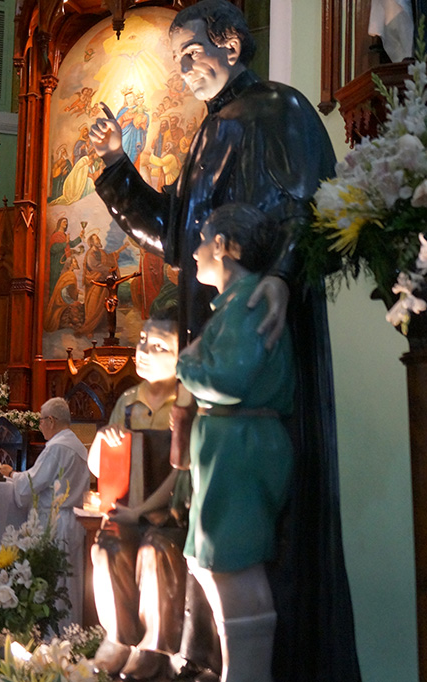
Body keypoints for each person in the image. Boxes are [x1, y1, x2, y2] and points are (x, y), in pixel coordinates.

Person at [87, 2, 360, 680]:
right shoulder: (210, 132)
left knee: (262, 545)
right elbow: (175, 236)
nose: (184, 71)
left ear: (232, 44)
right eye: (176, 60)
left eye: (192, 54)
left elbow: (312, 208)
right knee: (211, 550)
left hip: (266, 339)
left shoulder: (280, 110)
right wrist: (116, 166)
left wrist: (284, 275)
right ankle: (210, 661)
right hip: (215, 341)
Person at [177, 204, 295, 682]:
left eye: (203, 241)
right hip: (227, 445)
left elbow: (230, 379)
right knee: (211, 561)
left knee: (233, 563)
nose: (196, 252)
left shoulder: (249, 302)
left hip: (241, 448)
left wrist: (186, 364)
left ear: (223, 245)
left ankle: (248, 673)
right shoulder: (233, 303)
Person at [89, 312, 206, 681]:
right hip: (130, 508)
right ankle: (118, 637)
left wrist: (142, 511)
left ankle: (155, 646)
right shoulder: (127, 401)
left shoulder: (185, 403)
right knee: (107, 545)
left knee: (156, 550)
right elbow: (99, 466)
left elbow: (182, 472)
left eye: (159, 347)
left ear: (180, 357)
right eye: (142, 341)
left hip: (172, 512)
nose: (144, 351)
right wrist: (102, 441)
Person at [0, 397, 90, 625]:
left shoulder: (58, 447)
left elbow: (31, 483)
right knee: (69, 582)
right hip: (72, 520)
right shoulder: (77, 445)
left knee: (56, 582)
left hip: (56, 521)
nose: (39, 426)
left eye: (40, 421)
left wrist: (10, 473)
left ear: (51, 420)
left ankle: (55, 636)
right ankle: (70, 631)